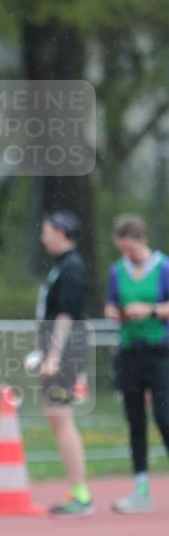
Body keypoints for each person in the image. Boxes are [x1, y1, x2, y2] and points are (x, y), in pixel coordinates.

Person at [105, 214, 169, 513]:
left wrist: (151, 310)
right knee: (135, 421)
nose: (126, 255)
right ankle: (141, 489)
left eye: (130, 249)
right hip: (130, 351)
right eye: (122, 250)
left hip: (160, 351)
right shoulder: (117, 271)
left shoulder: (164, 267)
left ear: (142, 240)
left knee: (164, 416)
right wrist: (116, 312)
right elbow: (110, 303)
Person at [37, 210, 93, 516]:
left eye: (46, 231)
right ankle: (78, 489)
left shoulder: (72, 267)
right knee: (57, 418)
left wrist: (55, 356)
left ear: (61, 232)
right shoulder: (61, 267)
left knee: (62, 418)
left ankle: (81, 493)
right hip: (60, 351)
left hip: (67, 352)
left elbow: (66, 315)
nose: (43, 237)